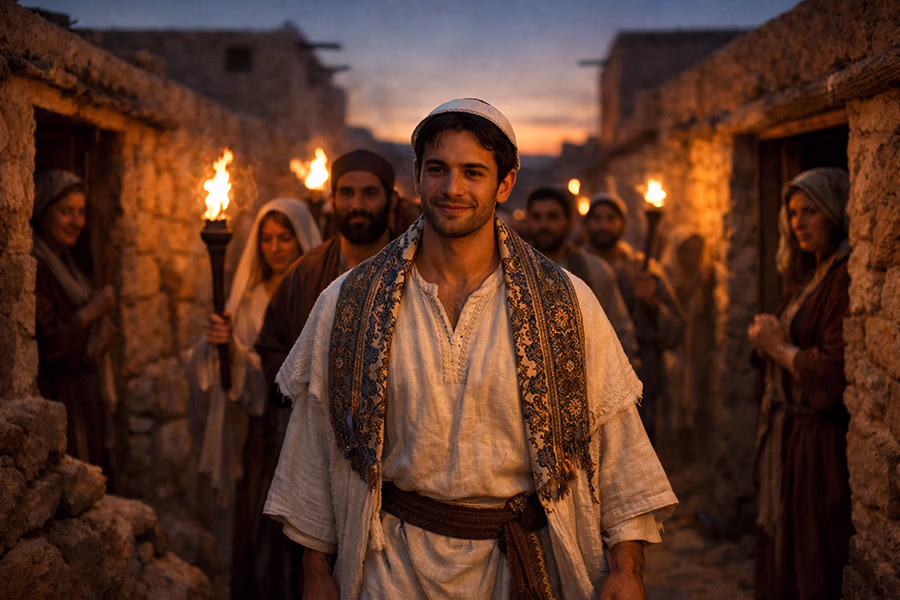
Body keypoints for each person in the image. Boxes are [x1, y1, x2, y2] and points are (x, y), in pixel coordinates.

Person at [265, 98, 677, 599]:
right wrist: (316, 575)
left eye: (473, 172)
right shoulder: (351, 301)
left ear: (504, 184)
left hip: (519, 569)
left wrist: (627, 569)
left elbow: (616, 446)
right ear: (416, 176)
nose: (452, 188)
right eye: (437, 169)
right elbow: (317, 445)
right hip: (390, 572)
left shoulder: (564, 302)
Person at [186, 198, 321, 599]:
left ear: (301, 242)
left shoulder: (319, 294)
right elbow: (224, 369)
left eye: (285, 238)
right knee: (260, 535)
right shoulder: (248, 300)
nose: (275, 248)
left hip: (309, 433)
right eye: (267, 240)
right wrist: (221, 347)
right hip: (262, 437)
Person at [748, 168, 854, 600]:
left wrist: (776, 348)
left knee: (813, 550)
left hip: (817, 440)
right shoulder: (810, 275)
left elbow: (833, 367)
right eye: (793, 213)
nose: (799, 223)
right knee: (784, 545)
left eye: (811, 211)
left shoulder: (844, 276)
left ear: (836, 211)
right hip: (789, 436)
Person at [256, 149, 397, 391]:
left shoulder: (415, 268)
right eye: (346, 193)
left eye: (370, 193)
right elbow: (272, 349)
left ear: (391, 201)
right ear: (331, 201)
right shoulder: (305, 273)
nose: (357, 205)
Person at [32, 169, 116, 472]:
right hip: (61, 396)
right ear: (44, 212)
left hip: (81, 398)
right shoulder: (38, 267)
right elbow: (51, 344)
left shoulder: (67, 264)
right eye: (66, 211)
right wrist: (91, 311)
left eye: (81, 212)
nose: (76, 221)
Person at [584, 193, 684, 445]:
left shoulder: (645, 270)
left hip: (641, 379)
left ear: (622, 224)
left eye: (610, 219)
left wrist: (652, 303)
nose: (603, 225)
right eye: (596, 219)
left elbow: (676, 333)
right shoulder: (573, 269)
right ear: (586, 224)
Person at [527, 186, 637, 359]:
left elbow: (620, 333)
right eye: (536, 217)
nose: (544, 225)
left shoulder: (595, 270)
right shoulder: (513, 271)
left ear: (569, 221)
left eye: (552, 217)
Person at [660, 228, 715, 459]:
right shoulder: (668, 278)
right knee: (674, 396)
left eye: (696, 252)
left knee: (693, 394)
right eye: (687, 252)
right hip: (674, 351)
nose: (691, 258)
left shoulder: (702, 277)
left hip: (695, 348)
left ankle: (693, 447)